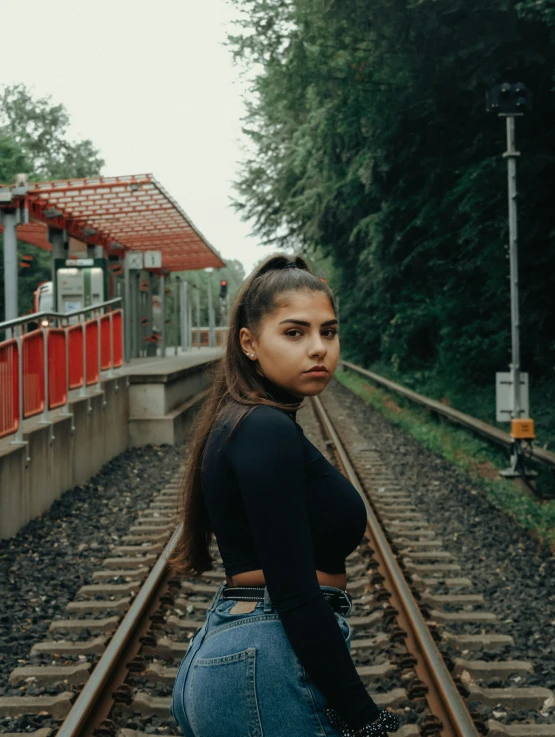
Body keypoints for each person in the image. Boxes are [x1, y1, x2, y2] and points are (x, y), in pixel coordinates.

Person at [169, 254, 400, 737]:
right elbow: (295, 592)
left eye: (328, 332)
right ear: (249, 343)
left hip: (244, 656)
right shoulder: (264, 428)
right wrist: (363, 717)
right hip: (266, 665)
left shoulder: (242, 419)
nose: (318, 348)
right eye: (295, 333)